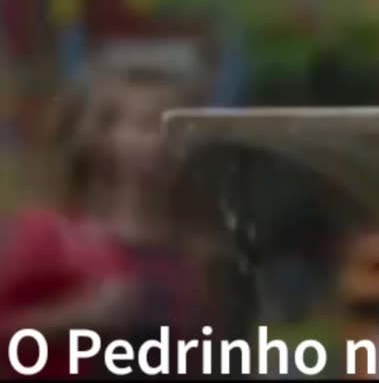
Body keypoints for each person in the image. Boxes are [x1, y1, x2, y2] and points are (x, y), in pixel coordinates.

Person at [0, 64, 217, 378]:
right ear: (101, 136)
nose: (170, 140)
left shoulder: (200, 249)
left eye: (183, 128)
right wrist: (73, 318)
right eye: (149, 124)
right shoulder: (51, 236)